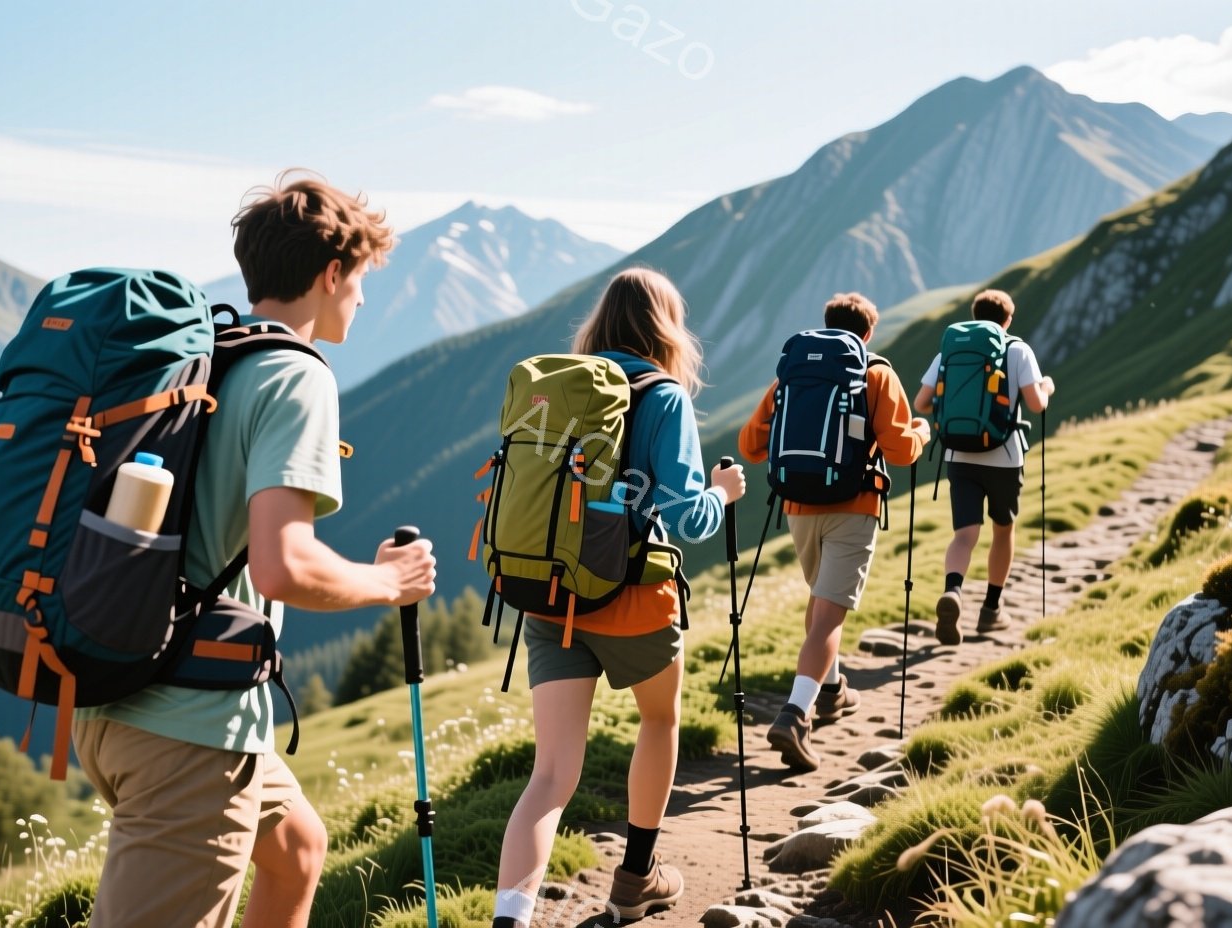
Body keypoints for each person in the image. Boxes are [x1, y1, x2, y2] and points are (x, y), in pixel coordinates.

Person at [72, 171, 438, 928]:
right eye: (360, 279)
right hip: (189, 731)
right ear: (331, 274)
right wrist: (388, 581)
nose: (362, 299)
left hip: (118, 698)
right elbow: (284, 565)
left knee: (298, 850)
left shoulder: (210, 359)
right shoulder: (294, 375)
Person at [491, 268, 747, 928]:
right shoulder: (663, 396)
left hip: (551, 597)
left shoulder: (557, 388)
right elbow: (688, 519)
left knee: (551, 777)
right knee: (658, 721)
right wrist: (723, 494)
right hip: (632, 597)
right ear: (667, 329)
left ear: (600, 323)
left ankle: (509, 919)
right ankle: (636, 879)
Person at [737, 292, 930, 772]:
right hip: (853, 506)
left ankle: (831, 691)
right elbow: (901, 451)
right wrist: (921, 433)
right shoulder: (875, 373)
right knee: (828, 617)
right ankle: (794, 715)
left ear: (826, 325)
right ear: (867, 334)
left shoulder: (793, 375)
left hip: (798, 508)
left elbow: (750, 445)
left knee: (821, 602)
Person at [912, 289, 1054, 645]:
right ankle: (991, 610)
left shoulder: (950, 351)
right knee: (1003, 530)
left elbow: (921, 403)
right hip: (1004, 457)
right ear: (1008, 320)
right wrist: (1046, 387)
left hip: (959, 455)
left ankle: (953, 591)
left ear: (975, 316)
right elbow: (1036, 404)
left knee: (964, 535)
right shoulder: (1017, 349)